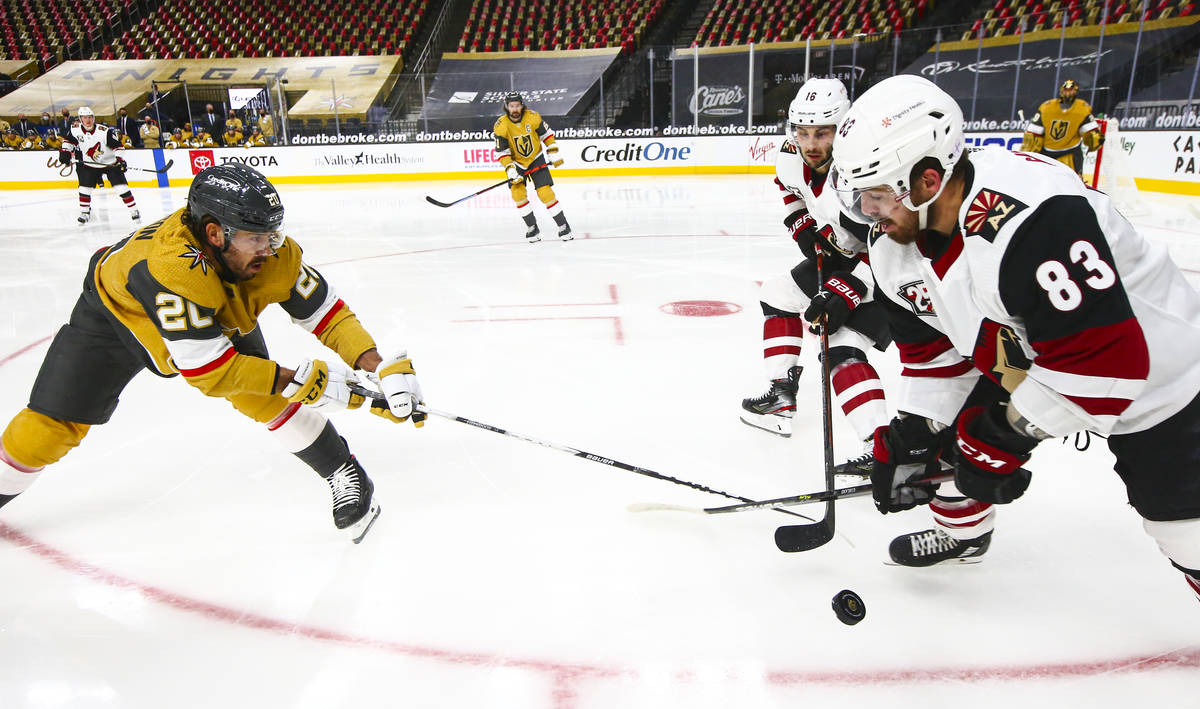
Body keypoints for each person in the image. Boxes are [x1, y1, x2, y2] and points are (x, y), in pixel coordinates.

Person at [833, 74, 1200, 596]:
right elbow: (934, 355)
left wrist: (1002, 437)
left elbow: (1104, 364)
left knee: (1185, 534)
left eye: (876, 196)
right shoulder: (895, 247)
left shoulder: (1035, 218)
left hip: (1165, 382)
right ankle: (964, 536)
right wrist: (915, 433)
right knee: (947, 441)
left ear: (928, 180)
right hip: (1044, 356)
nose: (867, 213)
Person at [0, 163, 426, 543]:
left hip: (209, 306)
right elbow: (209, 372)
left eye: (272, 234)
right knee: (47, 429)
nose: (269, 248)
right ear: (214, 233)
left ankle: (342, 469)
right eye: (256, 237)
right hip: (115, 315)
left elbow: (326, 314)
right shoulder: (171, 269)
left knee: (263, 395)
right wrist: (302, 381)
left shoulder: (271, 253)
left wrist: (378, 366)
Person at [739, 78, 891, 477]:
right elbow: (790, 189)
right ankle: (781, 397)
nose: (810, 143)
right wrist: (801, 224)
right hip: (845, 257)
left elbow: (894, 241)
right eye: (803, 132)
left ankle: (881, 450)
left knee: (841, 345)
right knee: (778, 294)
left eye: (822, 133)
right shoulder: (791, 155)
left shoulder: (865, 170)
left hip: (892, 274)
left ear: (844, 128)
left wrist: (850, 288)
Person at [493, 92, 572, 243]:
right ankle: (532, 227)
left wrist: (553, 152)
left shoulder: (533, 117)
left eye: (517, 105)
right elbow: (502, 152)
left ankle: (563, 226)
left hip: (536, 158)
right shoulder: (501, 125)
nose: (515, 109)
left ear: (522, 105)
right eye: (512, 106)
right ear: (506, 106)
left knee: (545, 193)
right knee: (518, 194)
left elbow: (547, 135)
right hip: (516, 163)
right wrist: (510, 169)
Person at [58, 106, 141, 224]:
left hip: (110, 163)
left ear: (93, 118)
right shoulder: (75, 130)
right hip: (90, 164)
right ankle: (84, 213)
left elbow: (119, 147)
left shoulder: (104, 131)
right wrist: (65, 152)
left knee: (121, 188)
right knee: (84, 189)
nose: (88, 120)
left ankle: (134, 210)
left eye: (90, 117)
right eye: (85, 117)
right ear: (81, 119)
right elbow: (68, 142)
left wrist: (119, 159)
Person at [1020, 79, 1103, 179]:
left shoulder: (1082, 109)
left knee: (1071, 183)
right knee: (1040, 180)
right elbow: (1034, 135)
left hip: (1070, 156)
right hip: (1046, 155)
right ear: (1061, 91)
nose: (1068, 93)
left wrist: (1095, 139)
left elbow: (1092, 135)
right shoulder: (1047, 108)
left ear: (1076, 91)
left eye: (1070, 90)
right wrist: (1028, 152)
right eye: (1066, 90)